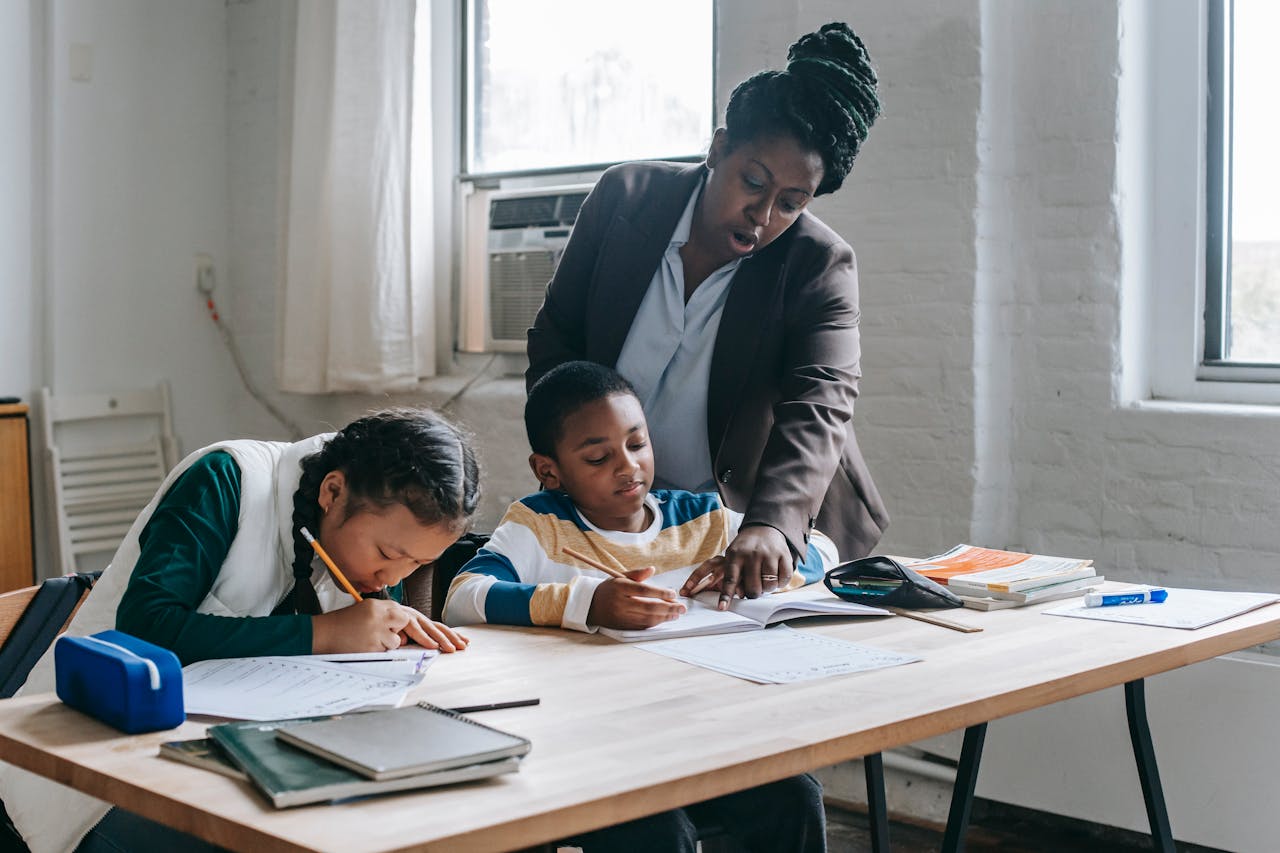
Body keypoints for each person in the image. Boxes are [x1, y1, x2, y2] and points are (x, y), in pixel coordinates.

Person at [0, 408, 480, 853]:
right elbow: (146, 627)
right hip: (96, 769)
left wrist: (387, 638)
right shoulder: (225, 479)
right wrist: (321, 634)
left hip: (230, 759)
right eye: (390, 555)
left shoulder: (359, 547)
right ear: (331, 492)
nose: (392, 580)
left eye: (418, 564)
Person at [527, 21, 889, 609]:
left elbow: (821, 403)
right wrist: (570, 462)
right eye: (753, 182)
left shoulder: (818, 265)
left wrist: (772, 525)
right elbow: (557, 339)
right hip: (616, 513)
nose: (763, 215)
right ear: (718, 148)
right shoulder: (625, 200)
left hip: (747, 524)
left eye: (791, 204)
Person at [445, 361, 832, 853]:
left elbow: (823, 551)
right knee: (658, 835)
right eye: (598, 457)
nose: (627, 467)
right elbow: (462, 596)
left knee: (795, 797)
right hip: (594, 750)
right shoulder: (540, 526)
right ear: (549, 470)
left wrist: (754, 558)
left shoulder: (704, 518)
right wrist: (589, 603)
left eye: (637, 443)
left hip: (705, 735)